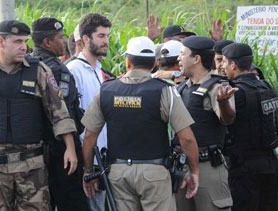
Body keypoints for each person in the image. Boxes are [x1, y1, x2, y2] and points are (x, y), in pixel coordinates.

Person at [0, 20, 78, 211]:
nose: (24, 47)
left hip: (31, 168)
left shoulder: (39, 72)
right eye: (18, 41)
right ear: (1, 42)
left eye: (25, 41)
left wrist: (70, 148)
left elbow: (59, 113)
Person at [81, 36, 199, 211]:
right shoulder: (165, 90)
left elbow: (90, 135)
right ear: (153, 64)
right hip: (155, 172)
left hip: (118, 173)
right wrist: (194, 171)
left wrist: (88, 171)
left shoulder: (107, 90)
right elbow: (187, 138)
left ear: (128, 61)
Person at [31, 17, 89, 211]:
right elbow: (64, 113)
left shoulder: (27, 65)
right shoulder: (55, 69)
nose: (65, 42)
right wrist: (71, 147)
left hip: (36, 151)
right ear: (47, 42)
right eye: (61, 37)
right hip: (60, 151)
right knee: (73, 203)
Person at [174, 36, 235, 211]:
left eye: (182, 54)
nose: (178, 58)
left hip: (207, 166)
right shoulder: (181, 88)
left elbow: (228, 119)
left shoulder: (217, 87)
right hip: (181, 165)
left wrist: (223, 103)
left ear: (196, 58)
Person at [221, 43, 278, 211]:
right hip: (270, 165)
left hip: (244, 167)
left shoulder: (234, 92)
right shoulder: (268, 87)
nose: (222, 66)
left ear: (233, 65)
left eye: (224, 62)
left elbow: (226, 120)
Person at [66, 13, 111, 211]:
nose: (106, 41)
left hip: (102, 159)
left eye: (107, 36)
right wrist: (88, 168)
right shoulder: (74, 70)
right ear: (85, 39)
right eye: (101, 36)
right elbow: (76, 121)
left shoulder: (99, 69)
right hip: (87, 160)